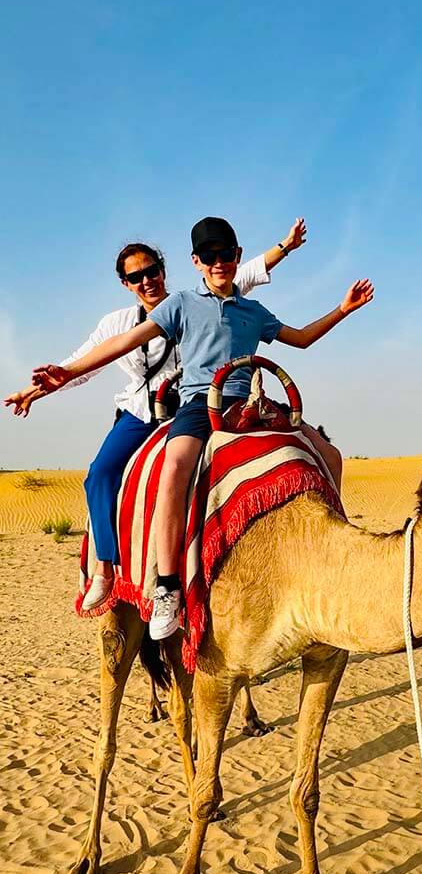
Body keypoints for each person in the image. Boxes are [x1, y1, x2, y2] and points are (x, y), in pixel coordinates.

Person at [24, 216, 374, 639]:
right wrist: (66, 371)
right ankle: (168, 586)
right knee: (174, 468)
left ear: (236, 256)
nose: (219, 263)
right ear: (196, 261)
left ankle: (329, 555)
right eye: (209, 256)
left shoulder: (253, 310)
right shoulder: (181, 305)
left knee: (329, 455)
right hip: (197, 402)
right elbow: (123, 342)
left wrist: (343, 310)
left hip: (252, 400)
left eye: (226, 255)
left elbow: (300, 338)